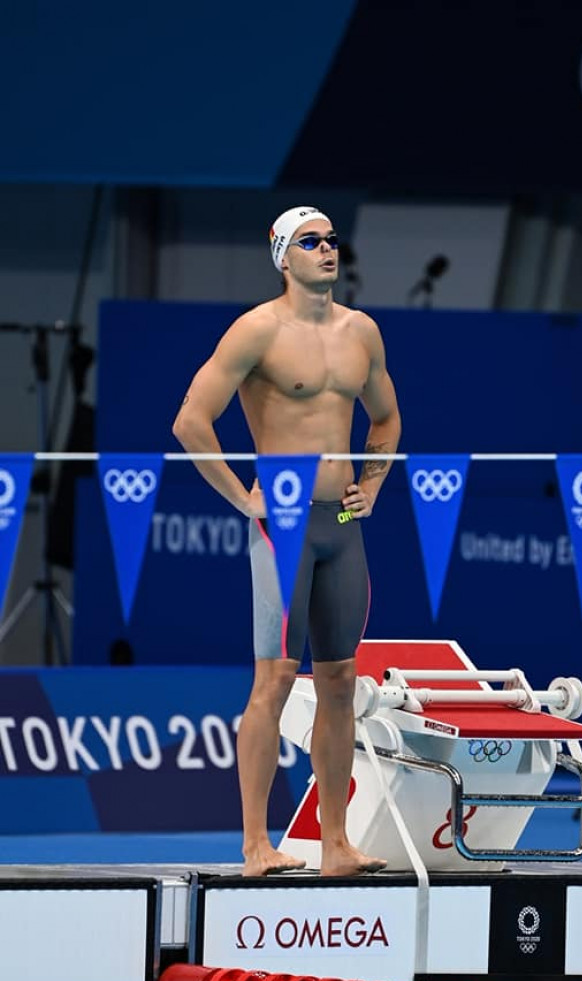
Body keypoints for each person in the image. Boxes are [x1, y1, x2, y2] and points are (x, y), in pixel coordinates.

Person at [172, 205, 401, 878]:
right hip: (285, 527)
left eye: (332, 239)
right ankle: (254, 845)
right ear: (283, 256)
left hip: (341, 526)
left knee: (340, 682)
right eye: (312, 241)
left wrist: (373, 483)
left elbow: (385, 420)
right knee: (273, 681)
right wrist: (243, 496)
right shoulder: (257, 331)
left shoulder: (363, 332)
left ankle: (335, 844)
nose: (327, 250)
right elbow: (191, 421)